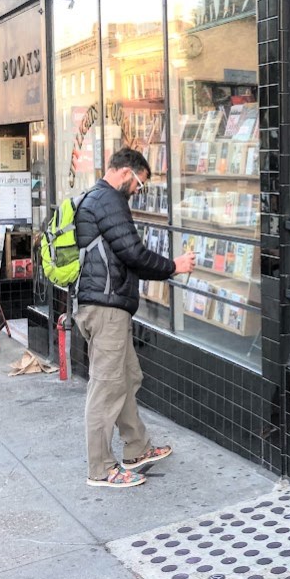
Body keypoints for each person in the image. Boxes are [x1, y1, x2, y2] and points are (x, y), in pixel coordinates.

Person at [74, 148, 196, 488]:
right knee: (106, 388)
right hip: (106, 308)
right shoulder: (109, 200)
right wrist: (174, 267)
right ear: (127, 172)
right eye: (139, 184)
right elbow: (134, 253)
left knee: (126, 377)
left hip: (106, 305)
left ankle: (137, 447)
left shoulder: (97, 198)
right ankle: (100, 469)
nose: (138, 191)